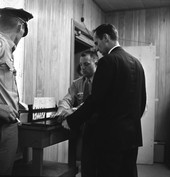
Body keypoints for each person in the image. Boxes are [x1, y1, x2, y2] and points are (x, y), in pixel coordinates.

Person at [62, 24, 146, 177]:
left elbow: (96, 100)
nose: (97, 48)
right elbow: (141, 103)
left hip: (111, 138)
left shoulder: (108, 61)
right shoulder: (137, 63)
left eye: (96, 42)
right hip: (132, 136)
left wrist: (72, 121)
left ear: (106, 38)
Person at [0, 7, 33, 176]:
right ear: (21, 27)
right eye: (22, 34)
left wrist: (15, 103)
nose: (20, 39)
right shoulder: (1, 43)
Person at [52, 50, 98, 166]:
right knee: (83, 160)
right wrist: (61, 111)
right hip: (81, 126)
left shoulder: (101, 82)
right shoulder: (76, 83)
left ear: (96, 63)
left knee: (96, 163)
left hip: (97, 127)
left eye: (86, 64)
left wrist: (72, 111)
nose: (82, 68)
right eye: (81, 65)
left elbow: (92, 104)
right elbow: (68, 99)